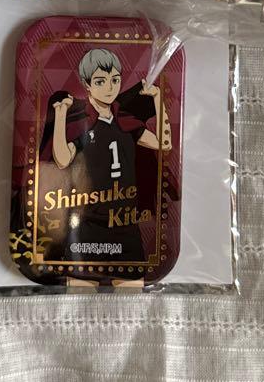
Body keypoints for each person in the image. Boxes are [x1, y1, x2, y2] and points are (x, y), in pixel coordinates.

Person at [45, 49, 170, 267]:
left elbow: (164, 143)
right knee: (80, 283)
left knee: (131, 283)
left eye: (115, 80)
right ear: (87, 84)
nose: (110, 88)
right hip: (87, 226)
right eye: (100, 82)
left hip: (125, 222)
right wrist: (61, 115)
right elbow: (62, 159)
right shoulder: (84, 122)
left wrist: (158, 99)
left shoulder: (125, 120)